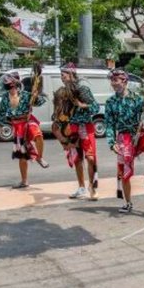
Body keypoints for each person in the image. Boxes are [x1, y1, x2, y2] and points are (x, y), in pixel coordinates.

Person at [104, 68, 144, 213]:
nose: (113, 83)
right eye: (112, 80)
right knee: (125, 174)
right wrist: (112, 143)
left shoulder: (136, 98)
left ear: (124, 81)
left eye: (115, 80)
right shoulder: (110, 102)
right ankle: (128, 203)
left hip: (138, 133)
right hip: (124, 138)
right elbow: (109, 124)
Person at [0, 72, 48, 189]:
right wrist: (0, 124)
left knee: (38, 135)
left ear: (16, 84)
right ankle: (24, 181)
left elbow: (41, 102)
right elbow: (2, 113)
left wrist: (36, 95)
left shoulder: (25, 95)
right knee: (22, 155)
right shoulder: (5, 97)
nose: (11, 87)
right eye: (8, 85)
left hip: (28, 121)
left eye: (12, 84)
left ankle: (40, 157)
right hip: (17, 125)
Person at [56, 63, 100, 201]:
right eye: (61, 75)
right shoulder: (63, 92)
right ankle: (81, 188)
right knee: (77, 159)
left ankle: (92, 187)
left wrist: (82, 105)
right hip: (72, 128)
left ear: (71, 75)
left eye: (63, 75)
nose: (62, 78)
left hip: (85, 127)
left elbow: (96, 107)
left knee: (91, 158)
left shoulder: (82, 89)